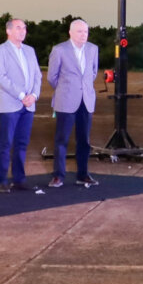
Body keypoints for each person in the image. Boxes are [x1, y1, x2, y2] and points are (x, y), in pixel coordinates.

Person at [49, 19, 103, 187]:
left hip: (86, 101)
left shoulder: (93, 49)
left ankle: (83, 174)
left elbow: (93, 73)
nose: (83, 35)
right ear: (70, 32)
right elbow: (52, 77)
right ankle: (58, 176)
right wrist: (67, 90)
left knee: (84, 141)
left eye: (86, 31)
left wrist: (82, 88)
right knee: (62, 140)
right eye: (79, 31)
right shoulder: (59, 50)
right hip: (66, 100)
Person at [0, 17, 41, 193]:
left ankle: (19, 179)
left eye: (24, 28)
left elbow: (37, 75)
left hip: (28, 106)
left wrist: (33, 95)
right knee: (6, 143)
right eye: (18, 28)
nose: (23, 31)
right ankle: (2, 180)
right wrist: (21, 95)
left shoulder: (30, 50)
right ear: (8, 31)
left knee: (22, 143)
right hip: (10, 104)